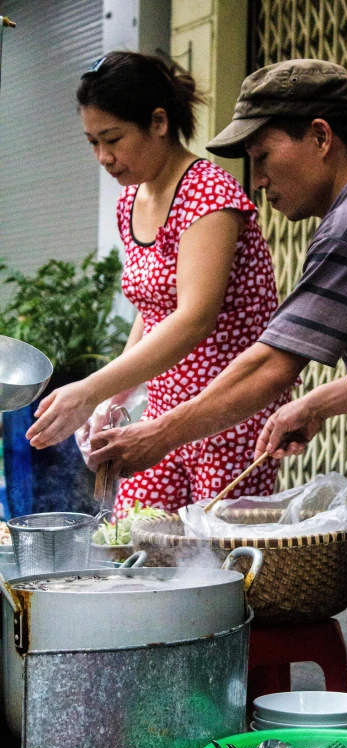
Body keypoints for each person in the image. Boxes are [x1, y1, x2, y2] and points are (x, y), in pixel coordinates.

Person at [32, 58, 347, 748]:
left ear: (320, 137)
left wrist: (152, 435)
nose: (258, 180)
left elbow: (266, 364)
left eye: (264, 156)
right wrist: (315, 404)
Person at [25, 50, 290, 514]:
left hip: (225, 417)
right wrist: (114, 396)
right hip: (159, 415)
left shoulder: (209, 194)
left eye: (113, 139)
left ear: (159, 122)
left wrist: (88, 390)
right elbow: (152, 312)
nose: (104, 157)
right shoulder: (130, 202)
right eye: (92, 143)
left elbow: (193, 318)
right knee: (137, 542)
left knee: (220, 566)